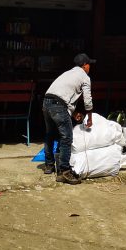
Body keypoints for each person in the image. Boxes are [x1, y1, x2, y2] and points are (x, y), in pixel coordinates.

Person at [42, 53, 96, 185]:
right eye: (89, 65)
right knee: (66, 137)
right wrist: (89, 118)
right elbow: (88, 100)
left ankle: (49, 165)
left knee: (50, 134)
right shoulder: (84, 76)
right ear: (85, 65)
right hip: (58, 106)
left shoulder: (68, 73)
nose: (90, 67)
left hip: (46, 102)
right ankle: (64, 171)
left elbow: (62, 96)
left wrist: (73, 113)